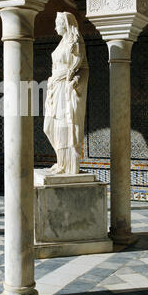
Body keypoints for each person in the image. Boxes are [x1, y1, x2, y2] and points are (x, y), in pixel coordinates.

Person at [44, 12, 89, 174]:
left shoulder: (75, 41)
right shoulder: (62, 42)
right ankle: (61, 161)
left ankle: (67, 165)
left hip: (66, 87)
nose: (55, 26)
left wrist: (76, 81)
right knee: (49, 126)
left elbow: (83, 68)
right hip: (55, 87)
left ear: (66, 23)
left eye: (58, 23)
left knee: (64, 125)